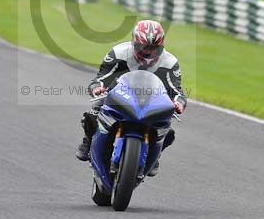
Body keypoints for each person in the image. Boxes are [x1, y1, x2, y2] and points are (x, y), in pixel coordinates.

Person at [75, 20, 186, 175]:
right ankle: (88, 141)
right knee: (96, 108)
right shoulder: (119, 53)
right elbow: (102, 77)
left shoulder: (170, 62)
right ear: (134, 42)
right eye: (143, 47)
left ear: (161, 46)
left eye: (154, 48)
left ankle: (156, 154)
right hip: (120, 93)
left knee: (168, 128)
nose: (148, 52)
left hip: (151, 100)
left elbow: (177, 90)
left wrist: (178, 102)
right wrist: (97, 88)